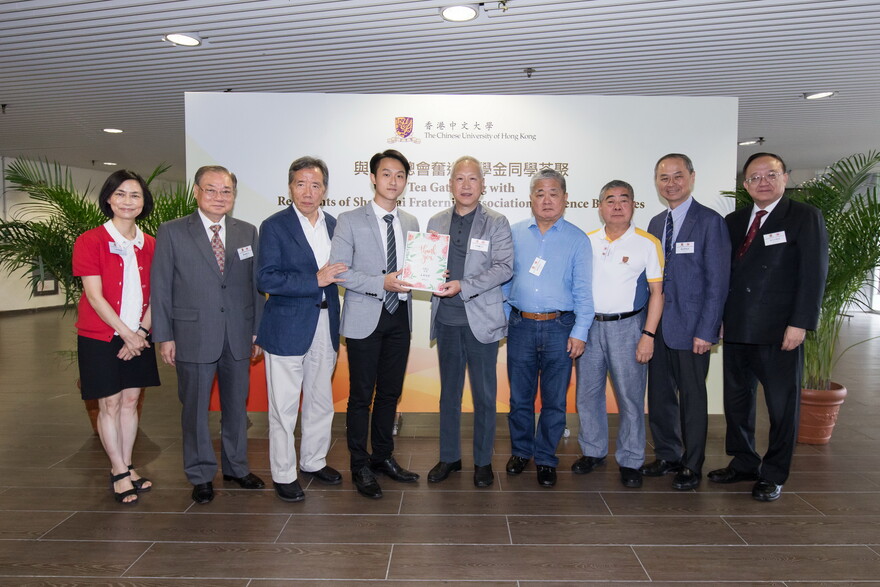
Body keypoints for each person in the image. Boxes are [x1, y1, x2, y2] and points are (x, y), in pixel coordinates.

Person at [709, 152, 828, 502]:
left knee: (781, 406)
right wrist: (716, 319)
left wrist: (800, 323)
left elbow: (813, 274)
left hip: (780, 332)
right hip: (736, 328)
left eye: (770, 174)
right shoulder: (734, 220)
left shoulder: (804, 217)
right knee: (737, 400)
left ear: (785, 178)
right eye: (755, 177)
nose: (763, 181)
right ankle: (744, 461)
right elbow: (722, 276)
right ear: (745, 185)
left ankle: (774, 473)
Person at [151, 165, 265, 505]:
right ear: (197, 192)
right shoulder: (172, 231)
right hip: (192, 335)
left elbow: (255, 287)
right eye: (211, 189)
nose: (219, 196)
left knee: (236, 406)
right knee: (195, 410)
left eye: (226, 190)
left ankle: (236, 467)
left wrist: (256, 331)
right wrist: (165, 335)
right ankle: (201, 474)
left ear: (234, 196)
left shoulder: (247, 232)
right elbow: (161, 287)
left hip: (238, 335)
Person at [329, 149, 420, 499]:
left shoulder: (410, 222)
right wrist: (379, 282)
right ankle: (359, 464)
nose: (393, 181)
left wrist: (427, 274)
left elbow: (411, 270)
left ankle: (383, 457)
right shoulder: (350, 220)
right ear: (372, 177)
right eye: (386, 174)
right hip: (365, 315)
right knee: (361, 396)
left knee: (390, 393)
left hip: (400, 316)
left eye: (399, 175)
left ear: (405, 181)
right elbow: (339, 270)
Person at [255, 156, 346, 502]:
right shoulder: (274, 225)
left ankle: (313, 460)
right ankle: (283, 472)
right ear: (290, 187)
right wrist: (315, 279)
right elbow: (266, 277)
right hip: (286, 327)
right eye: (301, 183)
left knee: (321, 400)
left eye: (316, 184)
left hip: (326, 321)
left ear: (325, 189)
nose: (308, 191)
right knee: (284, 406)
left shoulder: (335, 224)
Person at [642, 154, 731, 490]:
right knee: (661, 394)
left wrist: (708, 330)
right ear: (657, 182)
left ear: (692, 177)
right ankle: (668, 454)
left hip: (693, 328)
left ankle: (692, 464)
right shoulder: (654, 223)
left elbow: (717, 282)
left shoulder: (709, 221)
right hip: (658, 325)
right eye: (664, 177)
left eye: (678, 176)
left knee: (692, 398)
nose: (671, 183)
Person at [73, 169, 160, 504]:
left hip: (139, 334)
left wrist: (140, 332)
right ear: (108, 199)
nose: (128, 201)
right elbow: (94, 296)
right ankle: (118, 470)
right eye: (120, 194)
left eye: (135, 195)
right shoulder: (90, 240)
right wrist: (126, 334)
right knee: (108, 403)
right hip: (100, 337)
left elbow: (158, 296)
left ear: (143, 203)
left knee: (130, 402)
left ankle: (127, 464)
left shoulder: (151, 244)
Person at [503, 168, 593, 488]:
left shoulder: (578, 239)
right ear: (530, 198)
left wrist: (580, 331)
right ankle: (521, 451)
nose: (546, 200)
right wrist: (502, 319)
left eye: (553, 193)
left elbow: (584, 291)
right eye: (539, 193)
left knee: (554, 400)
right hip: (520, 325)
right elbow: (503, 282)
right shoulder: (513, 234)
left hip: (560, 326)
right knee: (520, 398)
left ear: (565, 198)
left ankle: (545, 457)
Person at [426, 156, 513, 488]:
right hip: (446, 320)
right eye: (459, 179)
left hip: (482, 321)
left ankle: (483, 460)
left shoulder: (497, 222)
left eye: (472, 179)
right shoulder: (436, 221)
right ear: (450, 185)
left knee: (485, 395)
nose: (465, 185)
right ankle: (449, 457)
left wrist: (464, 284)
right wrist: (430, 275)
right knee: (449, 393)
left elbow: (504, 267)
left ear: (482, 185)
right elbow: (426, 265)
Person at [575, 180, 663, 489]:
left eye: (623, 200)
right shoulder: (585, 241)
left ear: (633, 205)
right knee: (587, 394)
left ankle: (630, 459)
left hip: (629, 327)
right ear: (599, 207)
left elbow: (657, 293)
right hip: (589, 325)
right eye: (609, 200)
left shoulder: (647, 242)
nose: (616, 205)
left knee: (630, 397)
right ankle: (593, 451)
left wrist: (648, 335)